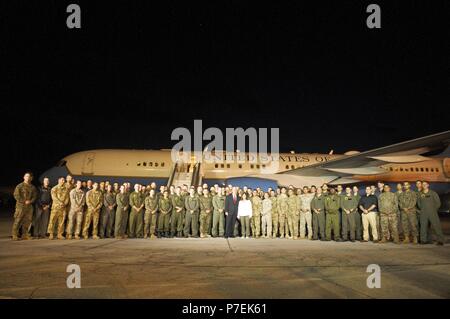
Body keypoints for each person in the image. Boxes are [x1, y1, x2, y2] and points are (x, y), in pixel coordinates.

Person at [11, 172, 38, 240]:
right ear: (24, 177)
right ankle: (14, 235)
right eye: (26, 176)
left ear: (31, 178)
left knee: (27, 221)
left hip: (29, 207)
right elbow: (16, 195)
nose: (28, 178)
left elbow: (35, 196)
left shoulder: (33, 187)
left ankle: (25, 235)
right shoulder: (19, 186)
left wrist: (30, 201)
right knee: (18, 220)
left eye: (29, 177)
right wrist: (24, 201)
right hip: (20, 206)